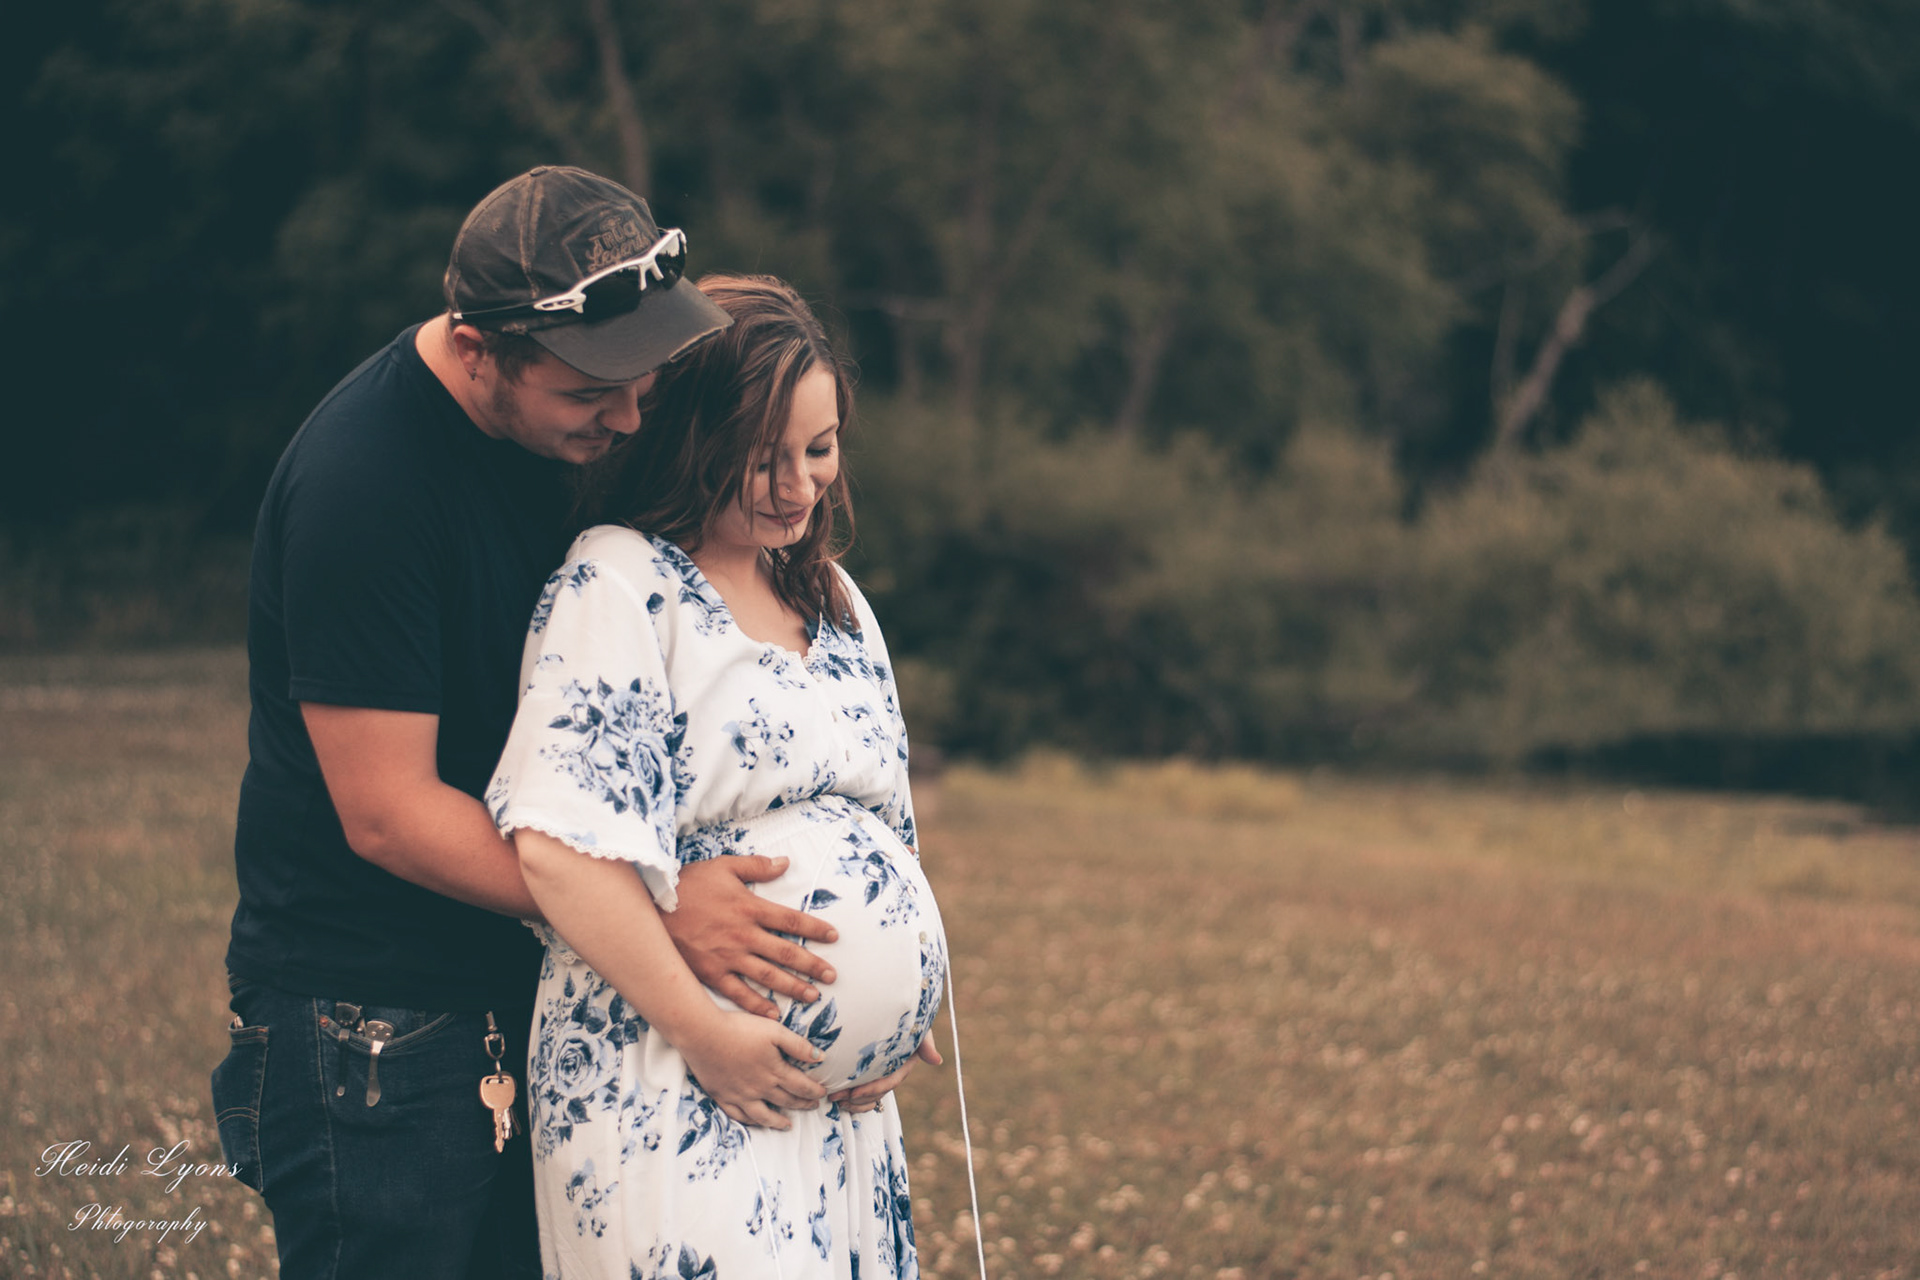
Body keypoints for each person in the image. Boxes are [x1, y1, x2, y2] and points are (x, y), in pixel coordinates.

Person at [211, 168, 909, 1280]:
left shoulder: (572, 441)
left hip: (527, 985)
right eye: (591, 393)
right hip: (378, 1015)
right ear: (479, 348)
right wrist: (658, 910)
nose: (627, 419)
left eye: (640, 384)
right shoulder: (366, 485)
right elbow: (388, 811)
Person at [486, 274, 944, 1278]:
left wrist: (898, 1013)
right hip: (673, 1071)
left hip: (838, 1112)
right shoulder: (619, 583)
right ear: (688, 441)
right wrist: (703, 1032)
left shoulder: (834, 596)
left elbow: (889, 831)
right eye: (762, 458)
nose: (798, 485)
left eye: (819, 449)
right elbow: (558, 851)